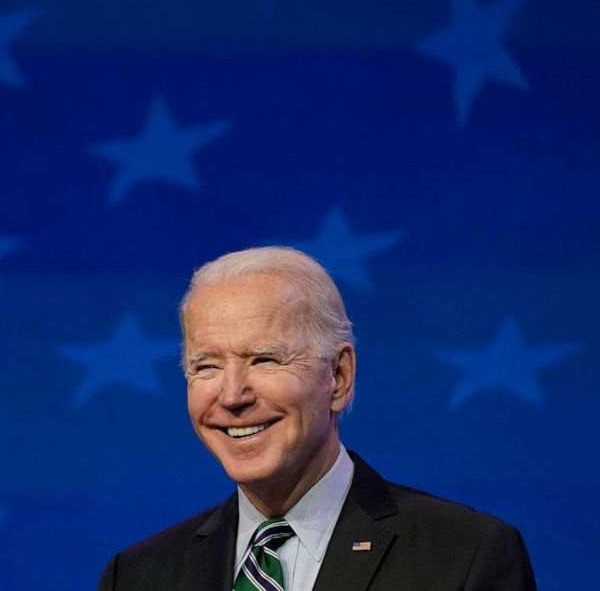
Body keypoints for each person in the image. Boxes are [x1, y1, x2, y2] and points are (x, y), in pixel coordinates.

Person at [98, 247, 536, 590]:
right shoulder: (137, 576)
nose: (231, 396)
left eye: (264, 359)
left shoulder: (464, 556)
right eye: (206, 366)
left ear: (339, 376)